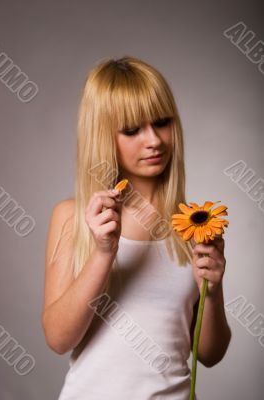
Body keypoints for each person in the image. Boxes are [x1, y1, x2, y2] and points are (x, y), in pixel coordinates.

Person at [41, 56, 232, 400]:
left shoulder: (192, 226)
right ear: (103, 137)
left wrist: (214, 292)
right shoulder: (73, 217)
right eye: (132, 130)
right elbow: (57, 338)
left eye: (162, 123)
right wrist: (103, 253)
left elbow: (210, 354)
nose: (154, 140)